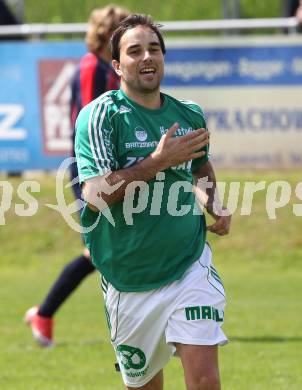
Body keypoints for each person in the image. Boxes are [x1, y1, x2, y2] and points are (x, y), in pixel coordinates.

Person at [75, 13, 232, 390]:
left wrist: (214, 202)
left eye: (154, 49)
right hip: (127, 279)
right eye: (135, 51)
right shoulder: (100, 117)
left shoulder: (188, 113)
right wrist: (156, 163)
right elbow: (95, 195)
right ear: (116, 65)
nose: (147, 57)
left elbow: (200, 165)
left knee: (205, 377)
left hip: (188, 264)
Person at [24, 4, 129, 347]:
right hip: (89, 169)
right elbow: (91, 123)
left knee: (110, 248)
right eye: (122, 30)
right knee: (103, 249)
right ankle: (44, 312)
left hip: (108, 167)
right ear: (108, 34)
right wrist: (98, 175)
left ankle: (44, 312)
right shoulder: (90, 67)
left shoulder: (108, 69)